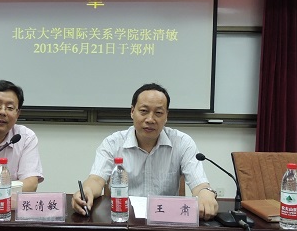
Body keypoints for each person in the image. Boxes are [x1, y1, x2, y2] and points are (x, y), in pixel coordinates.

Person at [72, 83, 218, 220]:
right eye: (144, 111)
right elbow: (96, 180)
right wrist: (87, 190)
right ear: (132, 111)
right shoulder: (113, 143)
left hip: (165, 221)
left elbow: (200, 185)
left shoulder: (182, 143)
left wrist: (205, 193)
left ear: (166, 116)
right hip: (124, 220)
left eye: (158, 113)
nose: (150, 119)